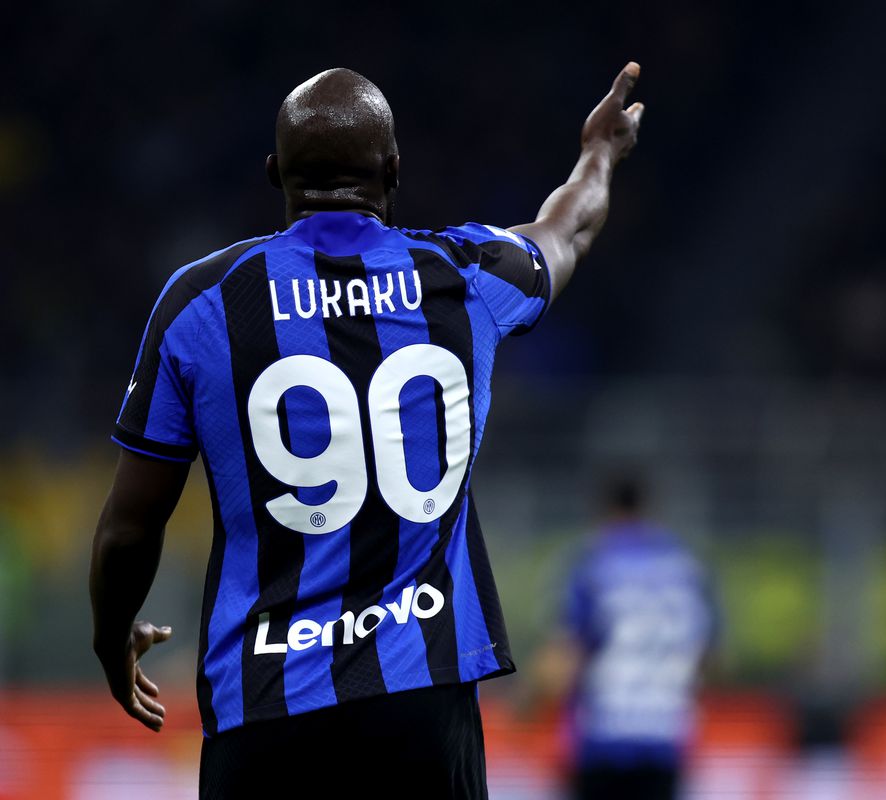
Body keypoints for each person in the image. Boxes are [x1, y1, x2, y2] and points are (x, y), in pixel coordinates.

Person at [89, 63, 643, 799]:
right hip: (422, 703)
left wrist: (111, 636)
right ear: (394, 171)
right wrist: (599, 152)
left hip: (266, 707)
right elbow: (566, 228)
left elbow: (130, 528)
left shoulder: (202, 303)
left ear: (273, 174)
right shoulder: (465, 276)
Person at [551, 478, 717, 800]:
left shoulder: (591, 561)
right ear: (648, 508)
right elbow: (709, 657)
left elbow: (565, 655)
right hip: (665, 733)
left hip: (601, 736)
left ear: (606, 509)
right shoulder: (688, 565)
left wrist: (526, 704)